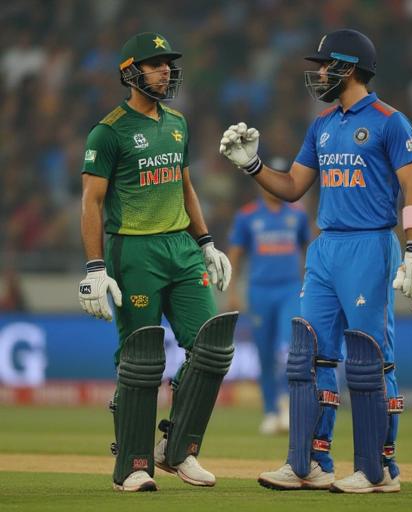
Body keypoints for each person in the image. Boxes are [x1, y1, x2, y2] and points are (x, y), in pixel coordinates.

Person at [220, 29, 412, 493]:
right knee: (307, 355)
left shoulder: (390, 121)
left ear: (348, 67)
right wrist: (252, 166)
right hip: (325, 247)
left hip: (370, 246)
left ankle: (379, 471)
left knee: (368, 359)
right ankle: (308, 464)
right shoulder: (322, 123)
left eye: (325, 65)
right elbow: (295, 187)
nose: (318, 73)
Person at [78, 32, 236, 492]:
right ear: (131, 72)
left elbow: (185, 187)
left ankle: (178, 449)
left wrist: (206, 241)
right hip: (134, 250)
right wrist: (94, 267)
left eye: (168, 63)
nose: (165, 70)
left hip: (182, 250)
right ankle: (132, 465)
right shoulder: (108, 131)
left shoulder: (178, 123)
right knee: (142, 358)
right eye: (155, 63)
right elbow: (91, 202)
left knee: (213, 345)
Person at [227, 184, 310, 434]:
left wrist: (312, 281)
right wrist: (232, 291)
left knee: (288, 347)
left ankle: (287, 404)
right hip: (259, 290)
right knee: (264, 352)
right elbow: (235, 253)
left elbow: (309, 247)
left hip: (290, 289)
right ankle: (270, 411)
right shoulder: (248, 215)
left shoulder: (297, 214)